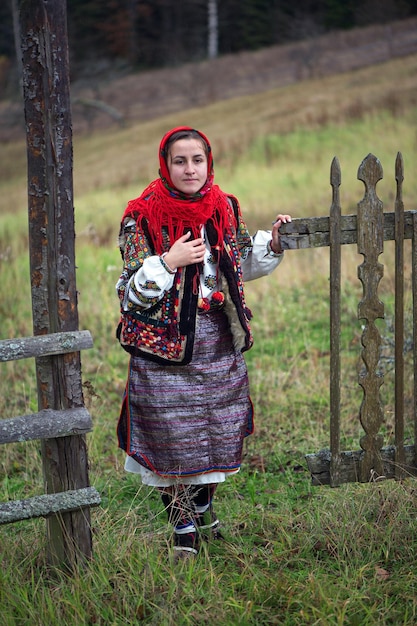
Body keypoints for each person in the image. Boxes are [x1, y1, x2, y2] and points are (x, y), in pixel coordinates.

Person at [116, 126, 291, 559]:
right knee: (171, 438)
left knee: (213, 435)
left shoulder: (225, 208)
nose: (190, 169)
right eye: (180, 161)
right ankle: (184, 533)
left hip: (217, 342)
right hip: (164, 348)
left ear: (208, 162)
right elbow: (130, 294)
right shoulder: (140, 216)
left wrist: (274, 243)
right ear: (166, 165)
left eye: (197, 160)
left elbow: (239, 263)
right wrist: (168, 262)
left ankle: (205, 511)